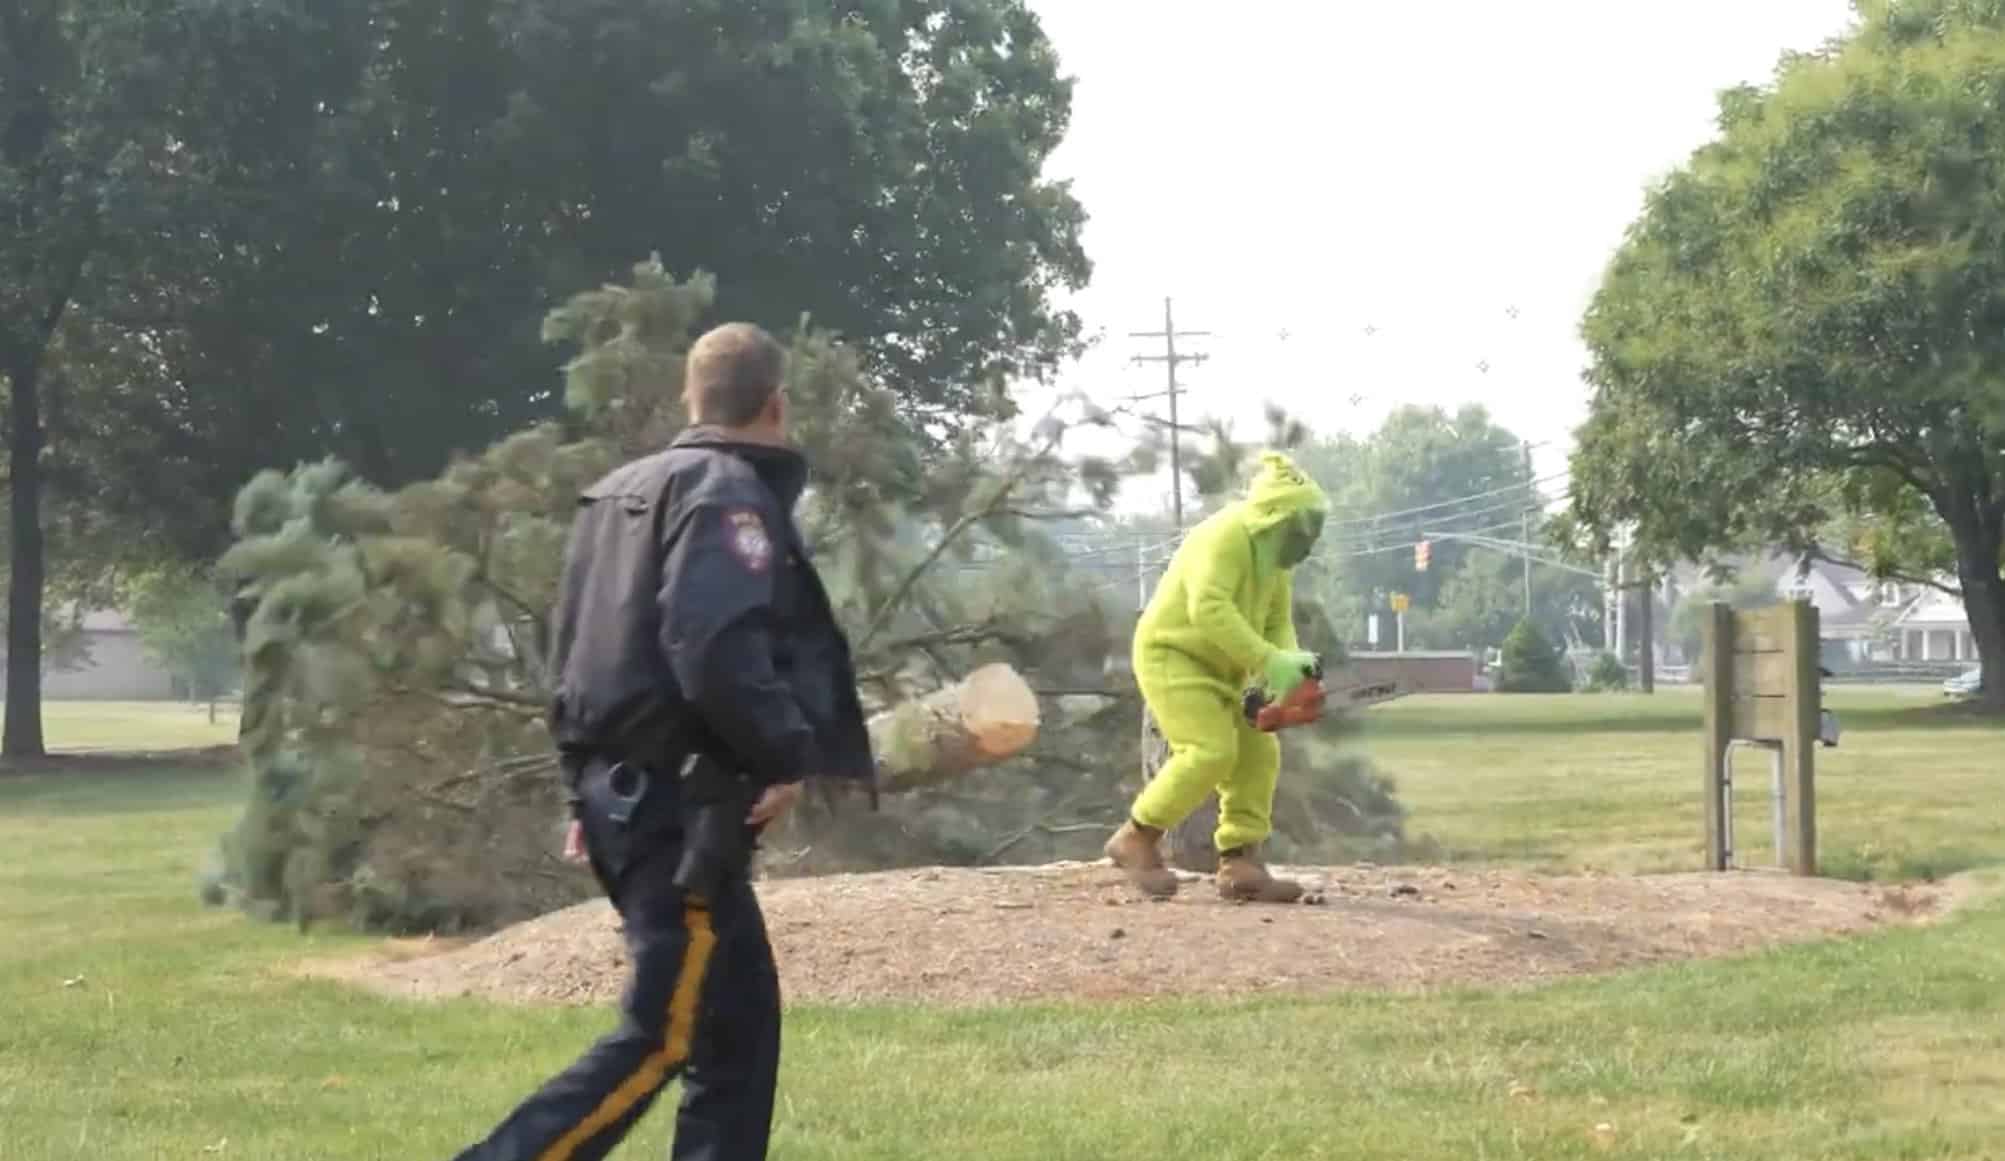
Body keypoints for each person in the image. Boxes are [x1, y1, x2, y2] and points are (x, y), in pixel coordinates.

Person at [450, 321, 874, 1161]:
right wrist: (787, 753)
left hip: (631, 798)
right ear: (777, 404)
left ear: (692, 398)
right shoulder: (727, 495)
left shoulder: (618, 495)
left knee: (737, 1033)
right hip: (683, 813)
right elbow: (711, 645)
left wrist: (584, 787)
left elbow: (574, 652)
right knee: (661, 1036)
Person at [1104, 451, 1328, 903]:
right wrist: (1269, 660)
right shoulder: (1223, 536)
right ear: (1276, 519)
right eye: (1301, 529)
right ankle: (1136, 836)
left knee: (1259, 753)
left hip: (1227, 667)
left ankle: (1240, 859)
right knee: (1209, 751)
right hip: (1174, 655)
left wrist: (1290, 667)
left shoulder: (1273, 563)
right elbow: (1207, 609)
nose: (1308, 541)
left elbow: (1275, 622)